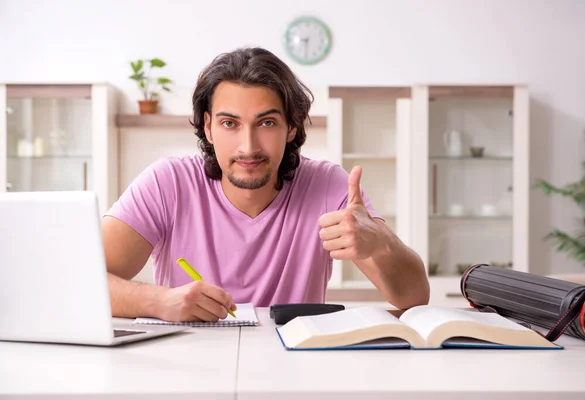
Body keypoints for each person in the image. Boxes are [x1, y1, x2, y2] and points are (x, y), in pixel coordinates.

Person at [102, 47, 429, 323]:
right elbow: (81, 281)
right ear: (209, 127)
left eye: (267, 122)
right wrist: (158, 302)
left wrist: (381, 241)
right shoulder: (167, 183)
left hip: (294, 368)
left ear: (291, 127)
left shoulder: (328, 185)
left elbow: (415, 298)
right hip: (189, 369)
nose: (248, 146)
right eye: (230, 123)